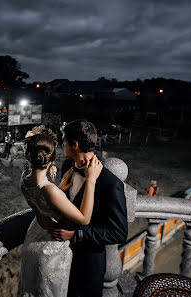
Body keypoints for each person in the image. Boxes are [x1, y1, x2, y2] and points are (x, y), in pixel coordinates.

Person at [18, 125, 103, 297]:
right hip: (51, 246)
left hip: (34, 236)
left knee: (31, 287)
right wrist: (91, 180)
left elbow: (44, 204)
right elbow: (84, 219)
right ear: (51, 159)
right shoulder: (50, 191)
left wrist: (60, 188)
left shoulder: (24, 179)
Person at [51, 119, 128, 297]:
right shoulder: (68, 166)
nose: (62, 144)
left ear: (75, 145)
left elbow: (119, 232)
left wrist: (77, 234)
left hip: (89, 263)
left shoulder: (110, 183)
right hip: (62, 256)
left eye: (64, 140)